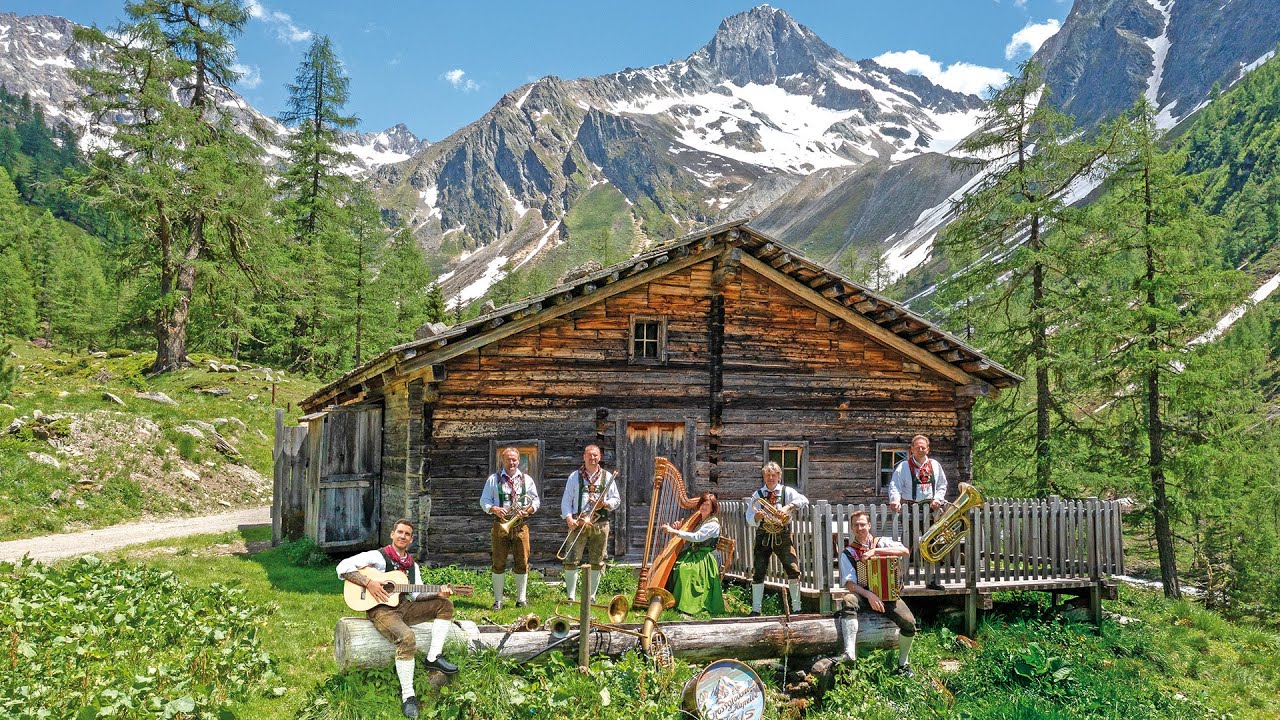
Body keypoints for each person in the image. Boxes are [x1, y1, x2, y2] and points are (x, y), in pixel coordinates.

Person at [336, 519, 457, 719]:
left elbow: (417, 595)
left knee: (445, 606)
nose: (403, 536)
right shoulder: (378, 556)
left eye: (407, 534)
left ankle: (433, 657)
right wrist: (369, 582)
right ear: (392, 534)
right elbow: (342, 567)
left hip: (404, 607)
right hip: (380, 610)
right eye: (399, 532)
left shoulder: (412, 566)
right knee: (407, 638)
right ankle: (408, 697)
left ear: (411, 539)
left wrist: (438, 593)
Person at [837, 510, 917, 677]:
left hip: (888, 595)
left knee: (909, 623)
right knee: (849, 600)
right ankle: (850, 653)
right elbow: (851, 585)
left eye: (863, 524)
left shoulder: (881, 542)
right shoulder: (849, 553)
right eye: (856, 525)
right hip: (864, 595)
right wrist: (870, 595)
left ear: (869, 525)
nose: (860, 528)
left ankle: (903, 663)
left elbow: (905, 551)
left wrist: (875, 552)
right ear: (851, 528)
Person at [480, 446, 540, 610]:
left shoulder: (527, 480)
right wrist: (494, 509)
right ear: (502, 460)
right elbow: (484, 501)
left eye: (514, 459)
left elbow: (535, 501)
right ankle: (498, 600)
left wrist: (527, 510)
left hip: (521, 526)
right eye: (508, 459)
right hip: (501, 524)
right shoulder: (494, 479)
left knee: (522, 561)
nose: (511, 462)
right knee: (498, 562)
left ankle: (521, 600)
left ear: (518, 460)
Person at [746, 461, 809, 616]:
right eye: (768, 475)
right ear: (764, 477)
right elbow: (748, 517)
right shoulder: (758, 494)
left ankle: (797, 609)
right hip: (763, 536)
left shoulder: (787, 491)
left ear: (779, 477)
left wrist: (788, 507)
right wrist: (756, 516)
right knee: (759, 571)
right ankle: (756, 609)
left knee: (793, 569)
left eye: (774, 475)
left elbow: (804, 500)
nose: (771, 478)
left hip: (783, 534)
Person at [559, 444, 620, 603]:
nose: (592, 458)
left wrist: (604, 504)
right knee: (571, 559)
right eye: (589, 455)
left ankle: (591, 596)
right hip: (578, 522)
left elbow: (616, 499)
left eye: (595, 455)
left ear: (599, 457)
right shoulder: (574, 476)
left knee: (597, 560)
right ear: (584, 457)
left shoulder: (607, 477)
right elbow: (566, 500)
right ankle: (571, 596)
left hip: (600, 523)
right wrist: (568, 518)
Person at [887, 434, 949, 588]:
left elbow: (942, 485)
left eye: (923, 447)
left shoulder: (935, 465)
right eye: (917, 447)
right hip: (909, 509)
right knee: (906, 545)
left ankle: (932, 580)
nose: (920, 450)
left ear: (928, 449)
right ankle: (900, 580)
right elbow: (895, 485)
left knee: (932, 544)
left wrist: (938, 499)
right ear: (912, 449)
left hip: (931, 510)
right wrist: (895, 499)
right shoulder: (903, 467)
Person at [661, 491, 725, 615]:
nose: (704, 507)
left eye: (707, 505)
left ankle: (687, 605)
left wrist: (675, 531)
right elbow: (691, 534)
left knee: (685, 571)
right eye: (702, 504)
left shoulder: (712, 524)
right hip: (696, 554)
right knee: (676, 565)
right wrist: (679, 528)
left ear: (713, 508)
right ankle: (673, 600)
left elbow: (697, 537)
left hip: (706, 557)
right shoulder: (701, 520)